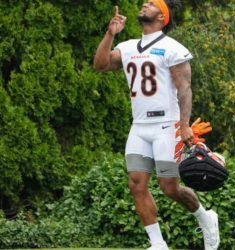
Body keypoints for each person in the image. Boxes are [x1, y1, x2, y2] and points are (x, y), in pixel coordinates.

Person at [93, 1, 220, 249]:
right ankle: (158, 244)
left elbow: (185, 88)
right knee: (136, 183)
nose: (144, 4)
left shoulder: (172, 48)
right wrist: (110, 33)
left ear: (162, 16)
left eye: (151, 4)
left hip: (166, 124)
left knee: (169, 188)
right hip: (139, 126)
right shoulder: (128, 47)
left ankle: (206, 217)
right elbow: (100, 65)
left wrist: (184, 125)